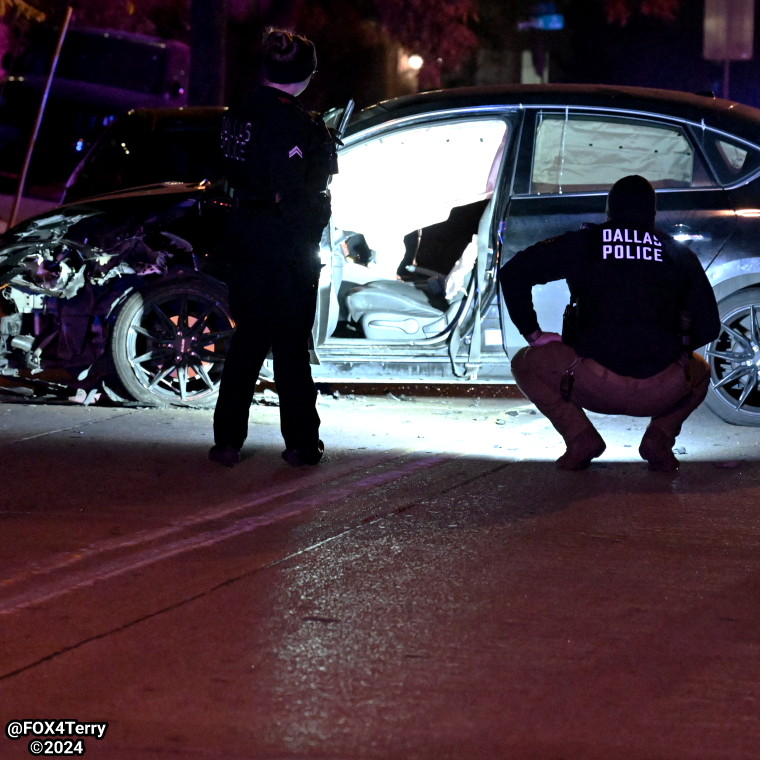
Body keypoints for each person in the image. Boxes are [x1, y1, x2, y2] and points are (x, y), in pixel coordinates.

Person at [499, 175, 721, 472]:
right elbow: (709, 326)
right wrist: (675, 350)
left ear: (609, 210)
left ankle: (580, 439)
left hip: (591, 381)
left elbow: (513, 272)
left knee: (526, 362)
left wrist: (533, 332)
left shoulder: (584, 242)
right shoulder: (677, 253)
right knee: (701, 371)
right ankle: (660, 439)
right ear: (653, 213)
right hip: (661, 389)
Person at [209, 28, 336, 468]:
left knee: (247, 342)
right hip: (285, 247)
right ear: (304, 73)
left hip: (244, 240)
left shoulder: (239, 111)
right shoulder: (291, 121)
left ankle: (226, 440)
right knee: (289, 349)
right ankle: (301, 443)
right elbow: (296, 190)